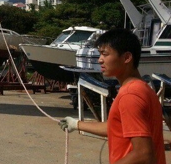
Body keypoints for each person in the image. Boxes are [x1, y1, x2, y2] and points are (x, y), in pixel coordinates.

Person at [59, 28, 166, 163]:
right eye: (100, 54)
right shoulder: (143, 88)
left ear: (127, 57)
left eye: (105, 54)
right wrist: (76, 124)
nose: (100, 60)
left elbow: (143, 154)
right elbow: (117, 127)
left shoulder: (130, 95)